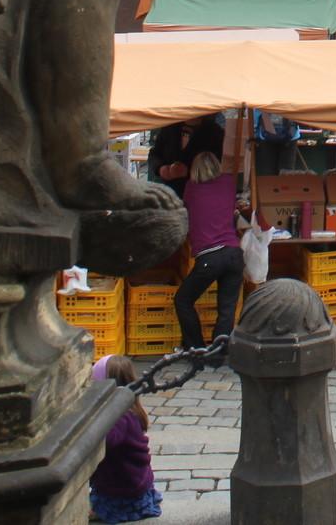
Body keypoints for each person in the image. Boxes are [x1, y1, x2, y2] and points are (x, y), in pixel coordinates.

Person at [174, 152, 247, 352]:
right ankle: (218, 353)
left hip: (209, 256)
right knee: (226, 309)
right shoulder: (228, 183)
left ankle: (196, 347)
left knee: (183, 300)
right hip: (234, 253)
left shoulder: (192, 189)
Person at [89, 354, 161, 521]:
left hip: (123, 489)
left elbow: (106, 440)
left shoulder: (121, 417)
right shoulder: (129, 410)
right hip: (136, 481)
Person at [148, 115, 225, 197]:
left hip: (198, 195)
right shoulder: (170, 127)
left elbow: (216, 165)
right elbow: (154, 153)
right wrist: (160, 169)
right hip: (168, 194)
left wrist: (188, 171)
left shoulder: (214, 132)